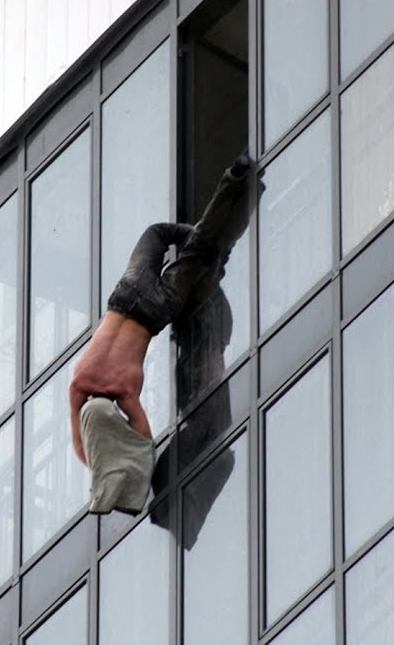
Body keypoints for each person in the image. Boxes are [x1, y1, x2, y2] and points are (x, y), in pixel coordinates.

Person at [69, 151, 255, 515]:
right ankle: (205, 228)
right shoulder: (79, 381)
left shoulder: (125, 391)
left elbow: (143, 444)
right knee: (158, 233)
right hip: (126, 294)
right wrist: (92, 460)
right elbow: (80, 438)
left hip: (156, 309)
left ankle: (237, 180)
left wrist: (115, 474)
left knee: (203, 250)